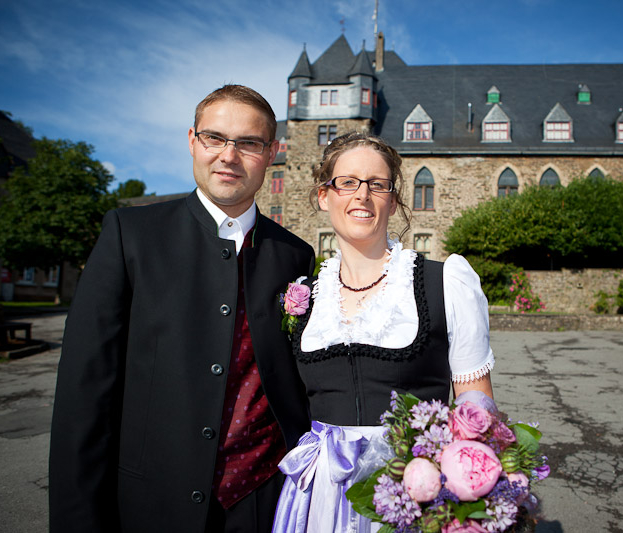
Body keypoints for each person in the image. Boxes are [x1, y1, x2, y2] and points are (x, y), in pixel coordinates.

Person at [49, 85, 315, 533]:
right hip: (151, 504)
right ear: (192, 141)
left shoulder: (295, 255)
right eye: (215, 138)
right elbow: (84, 395)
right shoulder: (130, 235)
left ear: (271, 153)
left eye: (248, 143)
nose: (229, 155)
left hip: (264, 502)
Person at [272, 132, 495, 531]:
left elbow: (476, 406)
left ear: (392, 201)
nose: (362, 195)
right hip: (320, 497)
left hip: (414, 491)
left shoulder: (445, 283)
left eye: (377, 184)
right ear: (325, 196)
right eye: (348, 182)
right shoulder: (305, 296)